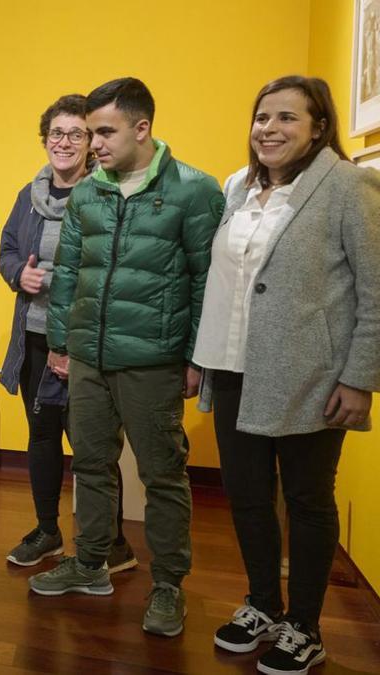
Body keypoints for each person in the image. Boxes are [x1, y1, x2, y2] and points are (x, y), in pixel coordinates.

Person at [194, 76, 380, 675]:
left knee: (306, 499)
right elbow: (228, 283)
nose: (268, 129)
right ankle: (262, 605)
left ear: (319, 126)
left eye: (286, 119)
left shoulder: (350, 187)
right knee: (247, 497)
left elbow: (377, 291)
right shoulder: (237, 188)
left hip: (311, 375)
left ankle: (304, 625)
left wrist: (361, 378)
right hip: (234, 368)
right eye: (261, 117)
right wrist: (201, 357)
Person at [29, 77, 224, 639]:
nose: (94, 144)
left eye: (104, 131)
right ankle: (91, 562)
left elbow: (206, 280)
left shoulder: (194, 190)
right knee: (89, 463)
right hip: (87, 356)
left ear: (143, 128)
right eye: (89, 132)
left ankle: (168, 585)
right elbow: (68, 274)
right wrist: (62, 345)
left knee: (163, 475)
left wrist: (195, 357)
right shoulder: (89, 191)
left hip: (154, 360)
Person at [0, 94, 136, 573]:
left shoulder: (105, 195)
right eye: (56, 133)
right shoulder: (27, 196)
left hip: (83, 343)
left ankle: (110, 543)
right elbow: (7, 250)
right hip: (33, 337)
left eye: (77, 134)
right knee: (41, 437)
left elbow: (112, 271)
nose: (65, 142)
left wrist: (59, 299)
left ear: (91, 143)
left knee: (93, 445)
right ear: (45, 139)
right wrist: (20, 275)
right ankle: (47, 531)